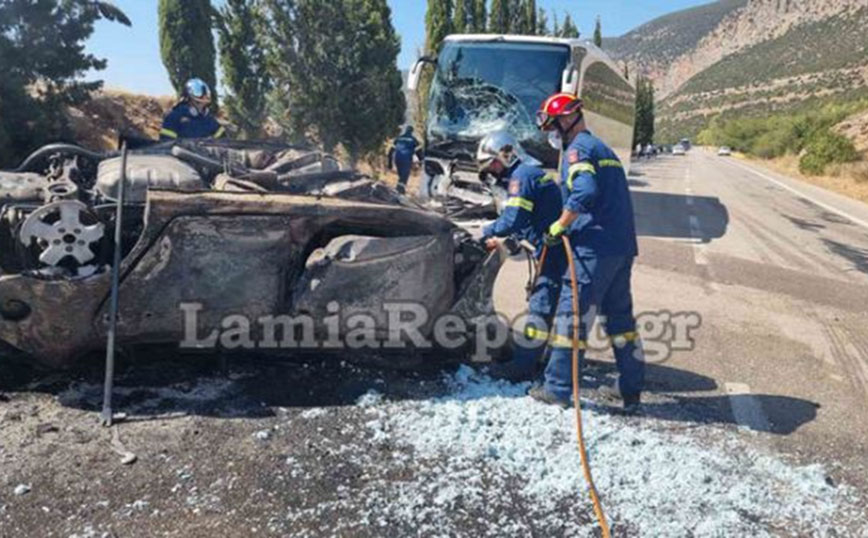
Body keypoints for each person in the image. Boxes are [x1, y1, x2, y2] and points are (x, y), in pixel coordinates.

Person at [532, 92, 645, 411]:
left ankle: (556, 388)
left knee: (572, 320)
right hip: (621, 249)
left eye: (553, 127)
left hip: (593, 251)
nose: (552, 135)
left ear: (568, 120)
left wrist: (561, 224)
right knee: (621, 322)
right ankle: (630, 389)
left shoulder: (578, 150)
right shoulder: (603, 149)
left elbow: (585, 191)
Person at [477, 131, 566, 381]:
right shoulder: (528, 174)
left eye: (492, 164)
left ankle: (524, 366)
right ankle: (539, 358)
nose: (492, 171)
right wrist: (511, 241)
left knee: (541, 305)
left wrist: (484, 232)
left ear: (503, 157)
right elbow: (529, 219)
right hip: (550, 248)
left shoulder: (521, 178)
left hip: (554, 252)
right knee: (546, 304)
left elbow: (513, 219)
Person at [160, 78, 225, 141]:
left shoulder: (209, 119)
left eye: (206, 93)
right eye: (199, 92)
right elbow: (166, 143)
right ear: (189, 97)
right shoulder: (174, 117)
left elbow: (223, 141)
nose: (204, 96)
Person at [388, 126, 420, 194]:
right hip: (407, 159)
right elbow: (419, 151)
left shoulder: (398, 138)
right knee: (404, 176)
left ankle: (400, 190)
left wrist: (390, 163)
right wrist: (421, 161)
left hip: (398, 159)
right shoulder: (413, 139)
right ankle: (399, 191)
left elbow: (391, 151)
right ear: (412, 131)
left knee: (401, 176)